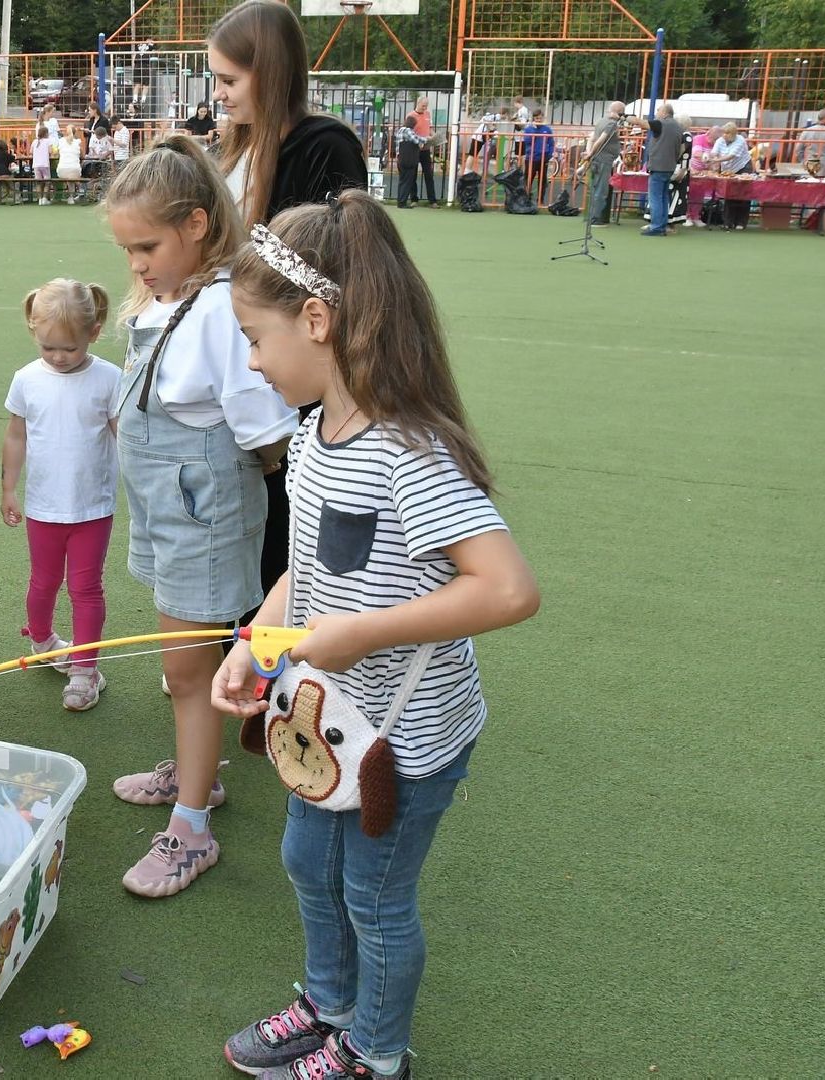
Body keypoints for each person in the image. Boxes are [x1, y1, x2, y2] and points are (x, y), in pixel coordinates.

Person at [215, 194, 539, 1080]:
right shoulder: (315, 432)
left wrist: (365, 633)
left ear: (314, 321)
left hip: (406, 738)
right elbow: (305, 570)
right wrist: (255, 636)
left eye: (254, 336)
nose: (250, 361)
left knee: (375, 898)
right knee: (305, 864)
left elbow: (508, 590)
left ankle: (374, 1053)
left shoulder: (408, 451)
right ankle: (329, 1006)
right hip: (328, 720)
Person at [103, 136, 298, 897]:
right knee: (179, 662)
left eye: (147, 245)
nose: (138, 265)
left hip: (202, 507)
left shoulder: (218, 305)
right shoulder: (165, 298)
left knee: (188, 669)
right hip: (160, 505)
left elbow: (262, 427)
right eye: (127, 250)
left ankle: (191, 828)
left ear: (192, 223)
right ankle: (197, 773)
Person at [208, 0, 365, 656]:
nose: (218, 95)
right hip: (245, 359)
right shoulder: (239, 145)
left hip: (293, 365)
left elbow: (335, 260)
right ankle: (241, 639)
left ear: (268, 73)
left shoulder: (323, 144)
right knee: (243, 511)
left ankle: (277, 652)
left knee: (287, 513)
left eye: (228, 81)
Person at [1, 279, 118, 712]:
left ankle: (85, 669)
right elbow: (16, 436)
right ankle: (42, 638)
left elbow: (121, 434)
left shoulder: (109, 378)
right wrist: (8, 487)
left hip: (92, 507)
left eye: (68, 348)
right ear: (34, 331)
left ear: (94, 332)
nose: (57, 356)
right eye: (47, 346)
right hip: (44, 508)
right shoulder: (27, 379)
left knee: (86, 588)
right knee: (43, 581)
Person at [622, 102, 684, 236]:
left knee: (655, 197)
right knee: (663, 197)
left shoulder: (660, 123)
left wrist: (625, 117)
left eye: (658, 111)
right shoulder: (678, 127)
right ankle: (662, 225)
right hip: (670, 166)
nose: (656, 113)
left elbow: (642, 123)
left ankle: (656, 227)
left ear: (664, 113)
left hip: (658, 165)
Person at [579, 100, 625, 226]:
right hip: (604, 159)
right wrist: (590, 154)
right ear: (620, 113)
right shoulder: (611, 124)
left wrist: (590, 153)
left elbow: (592, 138)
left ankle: (591, 216)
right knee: (601, 189)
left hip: (597, 158)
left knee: (595, 187)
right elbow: (600, 140)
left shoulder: (601, 121)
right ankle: (595, 218)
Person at [708, 121, 754, 230]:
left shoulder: (740, 140)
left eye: (727, 133)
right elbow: (714, 152)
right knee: (729, 194)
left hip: (743, 167)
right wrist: (710, 157)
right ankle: (728, 222)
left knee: (743, 194)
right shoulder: (720, 140)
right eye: (724, 133)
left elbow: (731, 156)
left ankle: (741, 222)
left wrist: (716, 159)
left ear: (733, 134)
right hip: (727, 169)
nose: (724, 135)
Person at [402, 97, 438, 206]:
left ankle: (432, 200)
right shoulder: (411, 116)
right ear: (418, 103)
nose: (425, 108)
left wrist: (434, 135)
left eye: (426, 106)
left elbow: (430, 128)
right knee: (412, 174)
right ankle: (414, 199)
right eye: (423, 105)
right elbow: (409, 132)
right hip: (415, 148)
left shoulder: (427, 114)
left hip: (426, 148)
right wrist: (420, 139)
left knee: (429, 174)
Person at [521, 107, 556, 204]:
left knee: (542, 180)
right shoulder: (529, 129)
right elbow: (527, 141)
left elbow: (551, 142)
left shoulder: (547, 129)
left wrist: (549, 154)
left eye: (540, 118)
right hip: (531, 158)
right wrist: (535, 132)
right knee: (528, 179)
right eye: (537, 119)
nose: (539, 120)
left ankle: (540, 200)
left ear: (543, 118)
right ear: (534, 119)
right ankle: (526, 199)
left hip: (543, 158)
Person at [393, 116, 427, 208]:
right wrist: (428, 139)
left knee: (402, 181)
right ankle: (403, 202)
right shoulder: (407, 131)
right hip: (408, 159)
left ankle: (400, 201)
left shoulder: (399, 130)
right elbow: (416, 140)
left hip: (400, 158)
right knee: (407, 181)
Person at [795, 108, 825, 176]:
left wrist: (802, 161)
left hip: (809, 164)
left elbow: (798, 149)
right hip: (824, 167)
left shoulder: (807, 131)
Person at [57, 125, 84, 204]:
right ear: (75, 133)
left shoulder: (61, 141)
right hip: (74, 170)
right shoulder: (78, 142)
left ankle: (71, 197)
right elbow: (82, 155)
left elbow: (58, 154)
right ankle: (76, 194)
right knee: (72, 174)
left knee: (69, 176)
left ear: (66, 133)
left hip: (62, 170)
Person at [32, 122, 55, 205]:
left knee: (38, 182)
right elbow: (50, 151)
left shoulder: (35, 141)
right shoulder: (48, 141)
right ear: (46, 134)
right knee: (47, 181)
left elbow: (31, 151)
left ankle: (40, 199)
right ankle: (45, 198)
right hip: (45, 164)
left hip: (36, 165)